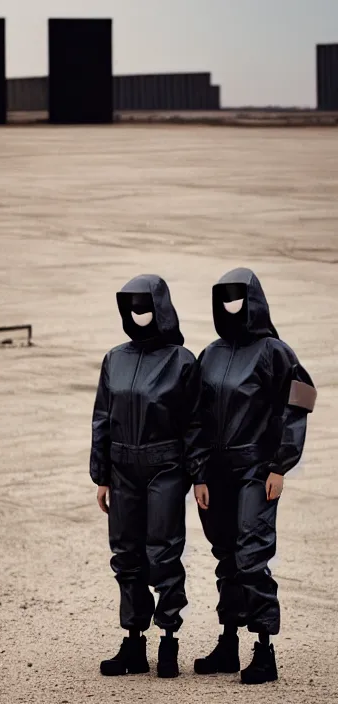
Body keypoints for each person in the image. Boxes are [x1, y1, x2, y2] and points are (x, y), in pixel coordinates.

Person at [185, 267, 317, 685]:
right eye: (224, 299)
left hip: (257, 471)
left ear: (254, 299)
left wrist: (281, 464)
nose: (232, 307)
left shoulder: (275, 352)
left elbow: (300, 401)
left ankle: (265, 650)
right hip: (217, 473)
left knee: (251, 556)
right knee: (225, 555)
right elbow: (196, 417)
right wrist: (199, 473)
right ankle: (228, 644)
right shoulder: (210, 354)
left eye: (239, 298)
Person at [90, 274, 195, 678]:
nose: (139, 313)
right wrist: (101, 475)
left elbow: (195, 424)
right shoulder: (114, 358)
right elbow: (102, 418)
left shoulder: (182, 361)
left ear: (162, 307)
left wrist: (198, 474)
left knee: (163, 552)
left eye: (146, 304)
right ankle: (133, 642)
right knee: (126, 556)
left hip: (165, 466)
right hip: (122, 470)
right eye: (131, 305)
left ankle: (169, 639)